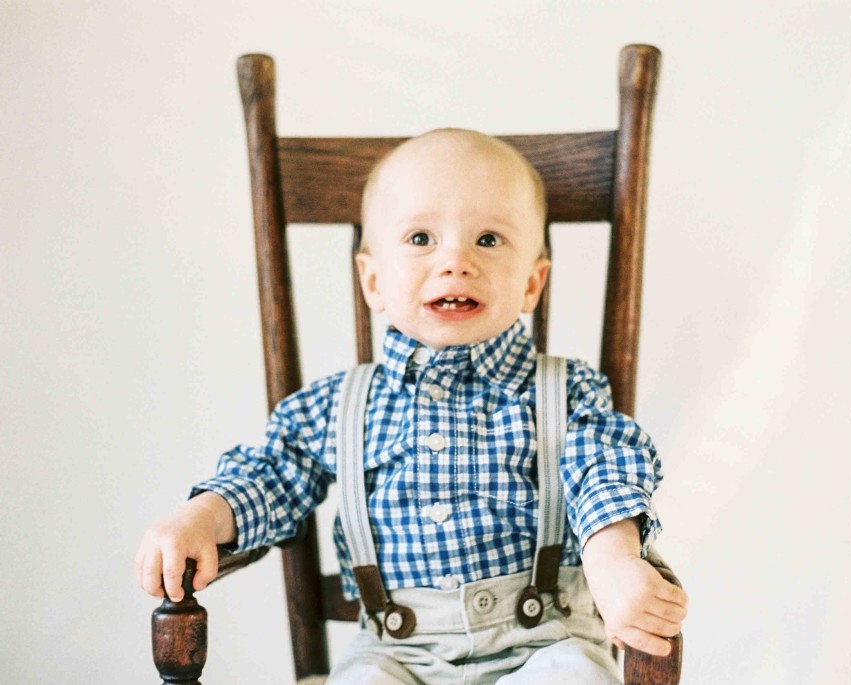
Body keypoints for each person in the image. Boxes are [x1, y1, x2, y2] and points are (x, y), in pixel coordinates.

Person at [136, 128, 688, 683]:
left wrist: (613, 561)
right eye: (421, 238)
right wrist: (201, 515)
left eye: (489, 240)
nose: (455, 260)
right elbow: (272, 472)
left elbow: (603, 472)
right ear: (373, 281)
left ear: (531, 283)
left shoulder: (565, 392)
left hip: (545, 641)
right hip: (393, 653)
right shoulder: (339, 407)